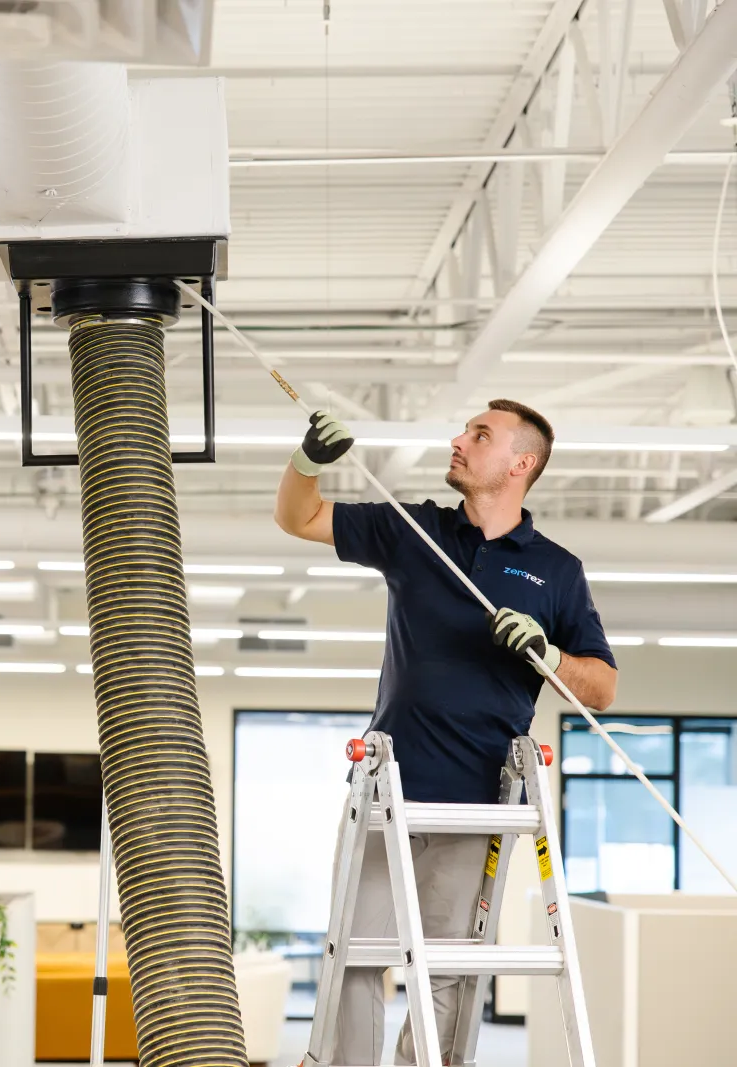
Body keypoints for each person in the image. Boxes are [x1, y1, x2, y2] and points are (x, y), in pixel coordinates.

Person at [274, 398, 617, 1065]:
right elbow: (299, 517)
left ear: (521, 463)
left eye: (480, 435)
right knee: (353, 960)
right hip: (385, 795)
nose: (458, 440)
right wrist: (307, 462)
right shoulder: (414, 529)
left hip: (480, 806)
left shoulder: (556, 571)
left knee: (450, 971)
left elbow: (601, 688)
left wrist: (548, 654)